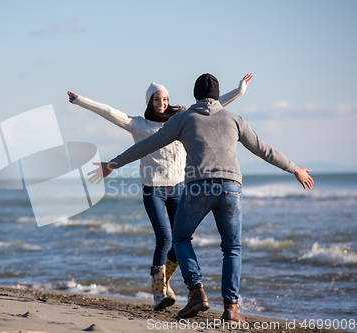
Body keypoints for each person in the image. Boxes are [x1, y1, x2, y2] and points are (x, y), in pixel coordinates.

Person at [87, 73, 314, 322]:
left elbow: (148, 145)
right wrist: (295, 169)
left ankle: (196, 293)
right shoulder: (234, 118)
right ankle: (231, 309)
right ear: (217, 96)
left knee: (181, 238)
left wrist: (113, 163)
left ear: (195, 95)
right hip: (231, 189)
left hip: (197, 188)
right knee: (232, 248)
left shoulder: (184, 119)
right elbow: (264, 149)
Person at [68, 74, 253, 311]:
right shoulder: (139, 125)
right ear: (149, 102)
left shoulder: (181, 118)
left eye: (164, 99)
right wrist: (80, 100)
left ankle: (163, 281)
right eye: (156, 99)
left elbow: (214, 105)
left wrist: (239, 91)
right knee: (164, 237)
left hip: (179, 188)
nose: (162, 103)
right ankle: (159, 294)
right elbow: (110, 112)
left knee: (180, 241)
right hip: (153, 189)